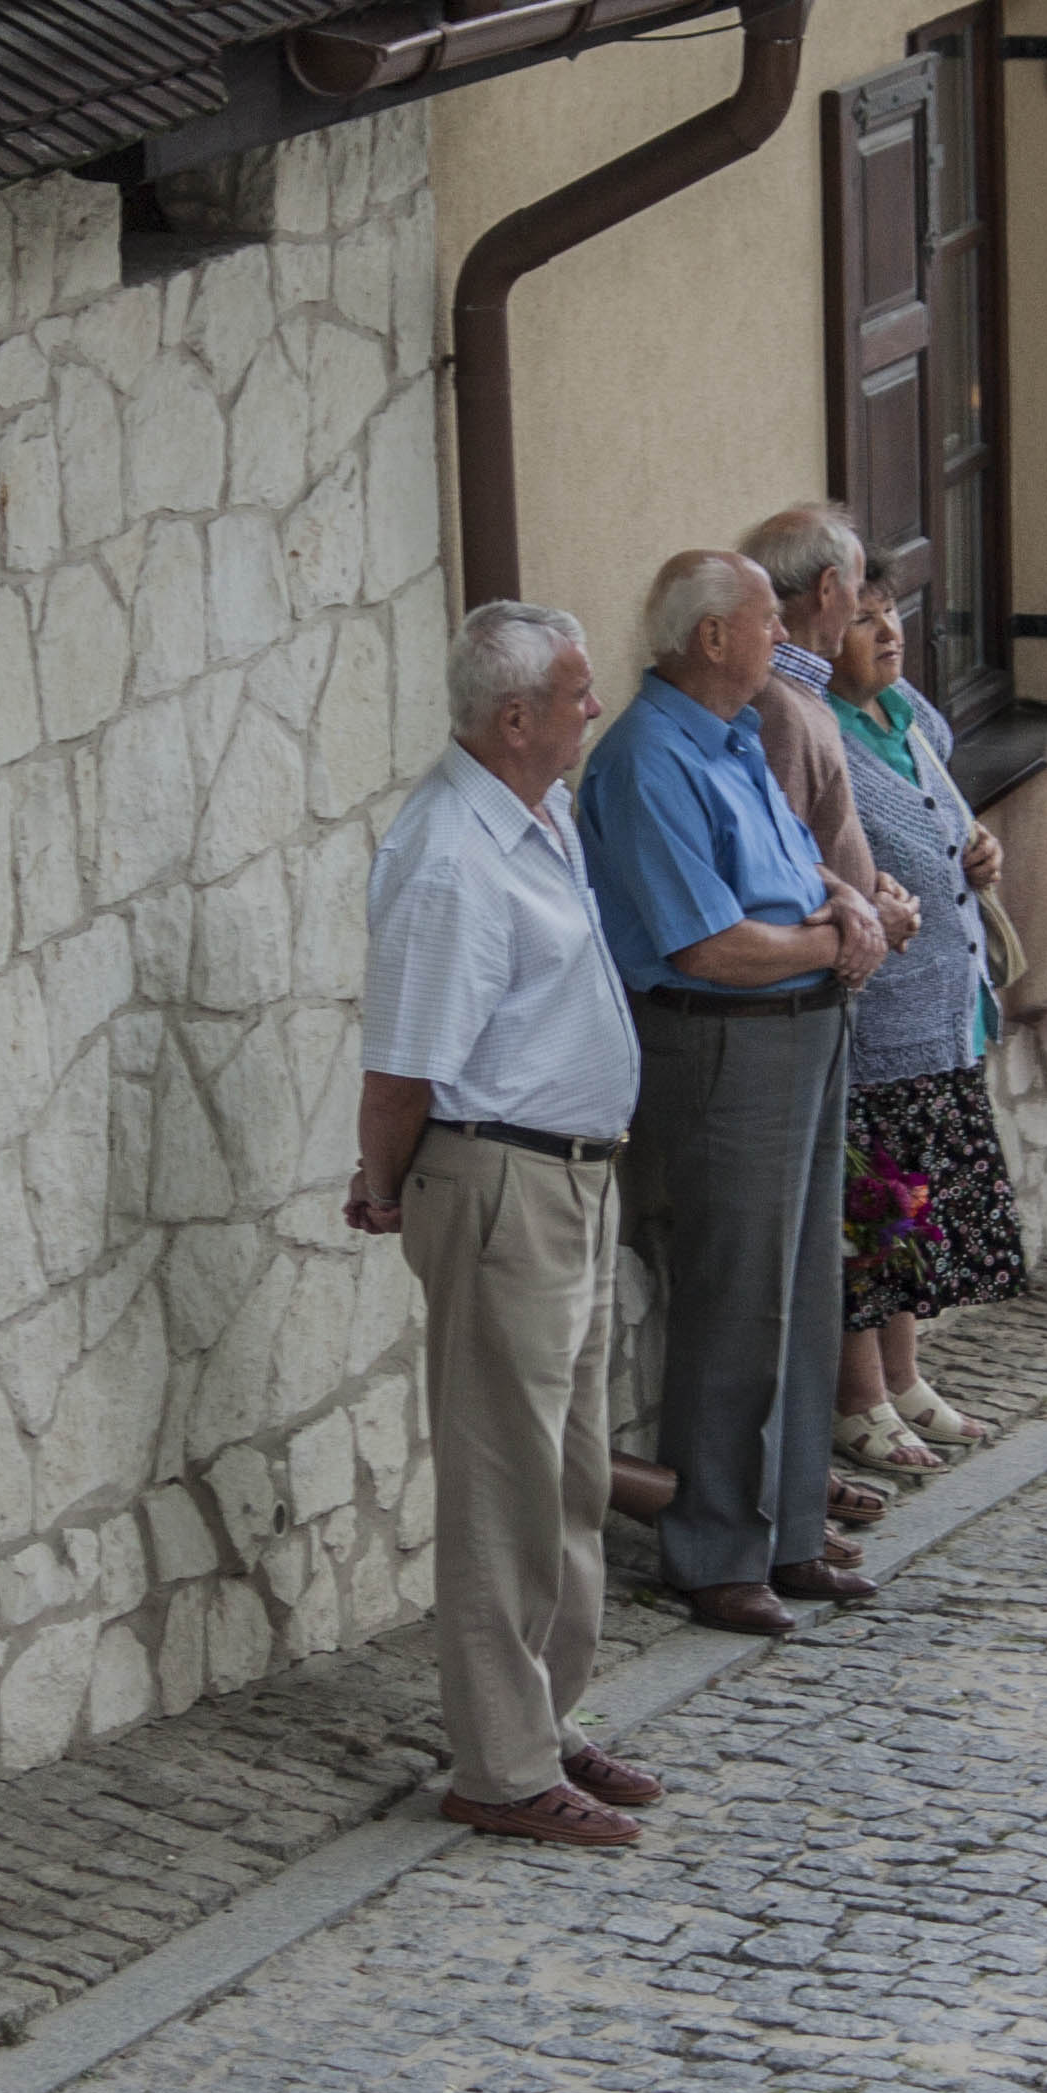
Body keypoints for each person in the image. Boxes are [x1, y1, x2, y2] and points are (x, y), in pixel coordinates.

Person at [348, 603, 662, 1849]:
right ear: (515, 717)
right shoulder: (449, 854)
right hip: (499, 1183)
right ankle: (498, 1764)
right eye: (576, 693)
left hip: (571, 1177)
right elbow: (400, 1068)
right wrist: (385, 1187)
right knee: (502, 1483)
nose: (595, 705)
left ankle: (546, 1716)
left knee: (570, 1473)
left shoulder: (540, 812)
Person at [577, 550, 888, 1638]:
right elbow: (706, 945)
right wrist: (837, 939)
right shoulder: (647, 759)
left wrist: (846, 901)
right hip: (720, 1043)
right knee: (734, 1302)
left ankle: (787, 1527)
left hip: (797, 1029)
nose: (784, 637)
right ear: (712, 637)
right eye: (766, 622)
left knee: (801, 1287)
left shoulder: (734, 735)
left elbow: (796, 870)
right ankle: (715, 1551)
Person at [822, 550, 1020, 1473]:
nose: (888, 631)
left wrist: (980, 848)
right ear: (824, 635)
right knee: (874, 1216)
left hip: (944, 1004)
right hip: (881, 1020)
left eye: (890, 611)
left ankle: (904, 1379)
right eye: (863, 619)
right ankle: (858, 1398)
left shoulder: (905, 713)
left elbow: (946, 819)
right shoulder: (818, 730)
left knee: (916, 1206)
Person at [741, 502, 923, 953]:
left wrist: (869, 884)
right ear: (827, 588)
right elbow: (779, 866)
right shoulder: (778, 706)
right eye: (857, 594)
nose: (859, 606)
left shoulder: (797, 690)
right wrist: (870, 914)